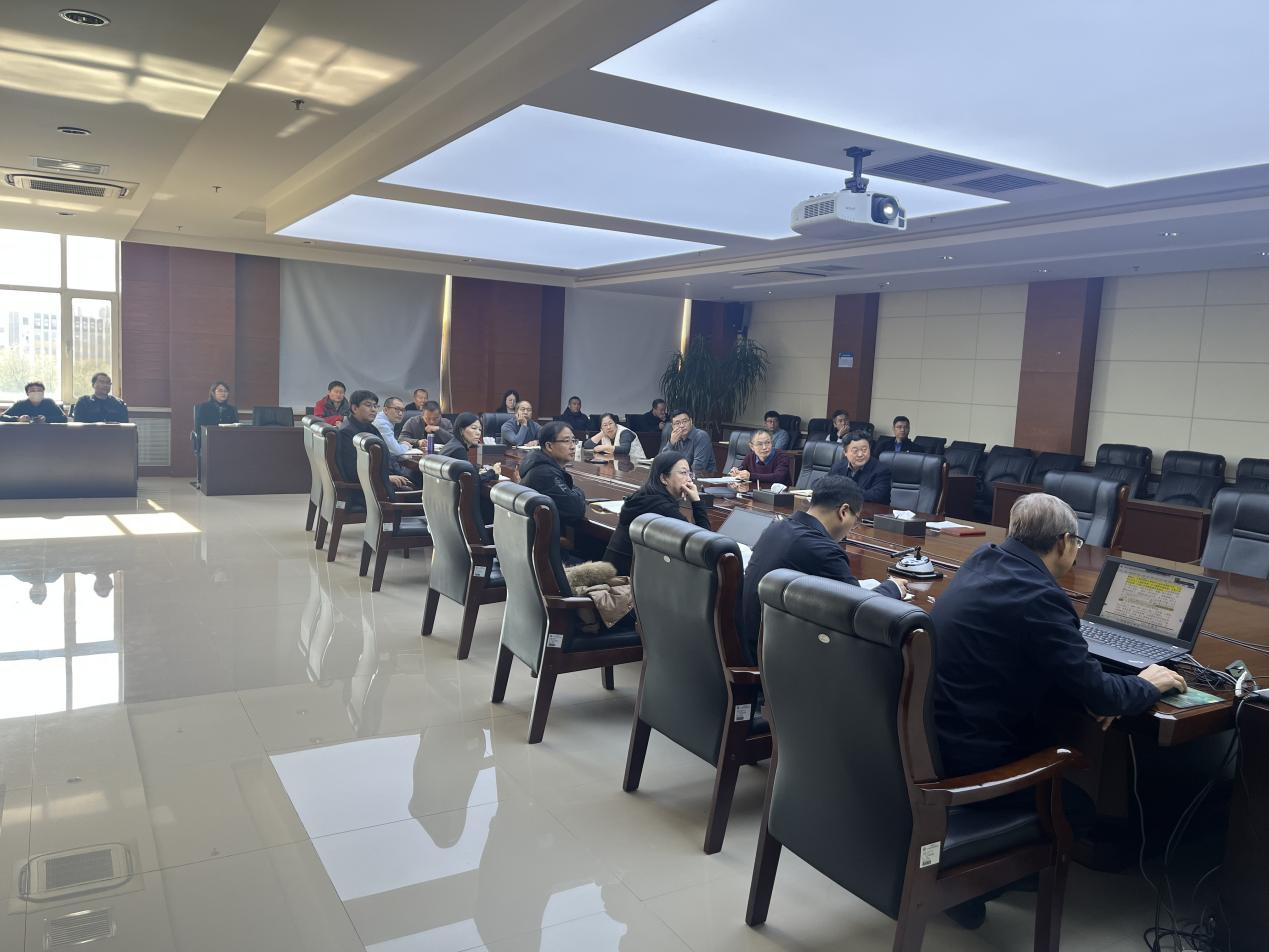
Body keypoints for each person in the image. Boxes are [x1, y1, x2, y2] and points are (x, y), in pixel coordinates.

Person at [932, 493, 1186, 929]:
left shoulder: (982, 560)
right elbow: (1104, 698)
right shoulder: (1041, 597)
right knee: (1078, 809)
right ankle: (967, 885)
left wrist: (1092, 688)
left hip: (938, 736)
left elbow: (1043, 660)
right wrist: (1145, 683)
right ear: (1065, 542)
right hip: (974, 758)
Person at [740, 476, 906, 665]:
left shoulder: (776, 528)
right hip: (771, 662)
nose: (853, 528)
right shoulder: (823, 550)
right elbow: (861, 612)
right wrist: (893, 587)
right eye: (856, 519)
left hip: (750, 644)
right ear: (844, 511)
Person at [602, 451, 711, 576]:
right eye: (683, 473)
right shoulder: (663, 509)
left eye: (689, 473)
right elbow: (704, 544)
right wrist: (696, 501)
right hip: (625, 583)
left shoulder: (642, 497)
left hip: (611, 574)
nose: (689, 479)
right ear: (664, 478)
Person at [337, 389, 412, 501]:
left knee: (414, 477)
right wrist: (385, 478)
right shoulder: (348, 432)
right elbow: (352, 470)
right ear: (354, 408)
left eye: (375, 406)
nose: (373, 410)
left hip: (378, 479)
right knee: (419, 490)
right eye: (368, 405)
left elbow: (384, 454)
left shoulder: (368, 426)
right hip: (368, 490)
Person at [518, 421, 587, 535]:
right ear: (549, 446)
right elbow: (576, 509)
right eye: (566, 441)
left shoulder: (539, 465)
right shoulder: (545, 474)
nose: (573, 446)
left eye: (573, 440)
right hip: (541, 542)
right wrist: (579, 492)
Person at [440, 413, 498, 527]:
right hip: (459, 508)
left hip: (446, 504)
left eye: (480, 429)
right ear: (461, 430)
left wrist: (474, 468)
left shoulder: (452, 444)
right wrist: (492, 473)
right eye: (474, 428)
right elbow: (472, 482)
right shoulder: (459, 450)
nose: (478, 433)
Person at [829, 430, 891, 503]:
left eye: (864, 450)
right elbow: (824, 485)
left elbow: (876, 496)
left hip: (870, 509)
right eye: (855, 451)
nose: (860, 454)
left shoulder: (881, 470)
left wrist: (844, 492)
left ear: (870, 449)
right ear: (845, 452)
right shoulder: (838, 466)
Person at [372, 396, 422, 485]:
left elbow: (391, 445)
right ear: (386, 410)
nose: (400, 413)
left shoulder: (385, 420)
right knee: (419, 478)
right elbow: (396, 451)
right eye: (397, 409)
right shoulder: (382, 424)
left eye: (403, 410)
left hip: (381, 466)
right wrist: (406, 445)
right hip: (383, 471)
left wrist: (400, 444)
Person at [2, 381, 67, 423]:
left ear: (43, 392)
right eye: (32, 390)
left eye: (39, 390)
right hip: (24, 434)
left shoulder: (50, 403)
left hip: (46, 433)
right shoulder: (20, 404)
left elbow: (64, 418)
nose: (36, 392)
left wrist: (46, 419)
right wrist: (18, 419)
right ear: (27, 393)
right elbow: (1, 417)